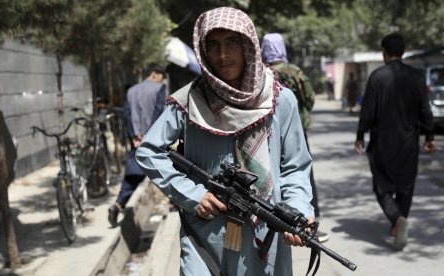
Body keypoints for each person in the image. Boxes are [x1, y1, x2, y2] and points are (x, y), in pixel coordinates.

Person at [135, 7, 315, 275]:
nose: (223, 55)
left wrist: (298, 210)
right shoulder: (188, 102)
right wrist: (193, 195)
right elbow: (149, 151)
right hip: (206, 239)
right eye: (214, 45)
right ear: (203, 50)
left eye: (232, 42)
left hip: (266, 237)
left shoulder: (280, 100)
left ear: (248, 46)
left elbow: (295, 166)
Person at [354, 33, 437, 251]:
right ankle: (399, 220)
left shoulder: (377, 77)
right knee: (406, 185)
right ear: (403, 52)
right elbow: (425, 109)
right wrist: (430, 137)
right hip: (409, 141)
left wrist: (360, 135)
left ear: (384, 52)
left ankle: (397, 219)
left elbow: (368, 111)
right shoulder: (416, 77)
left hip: (383, 141)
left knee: (382, 185)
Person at [260, 32, 329, 243]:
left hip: (265, 133)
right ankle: (307, 222)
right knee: (300, 172)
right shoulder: (295, 71)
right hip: (295, 130)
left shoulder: (259, 73)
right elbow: (309, 99)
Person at [108, 65, 167, 227]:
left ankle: (118, 204)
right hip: (154, 139)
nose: (162, 80)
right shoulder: (160, 88)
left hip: (136, 140)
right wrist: (149, 136)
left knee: (132, 175)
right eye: (162, 76)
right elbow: (158, 112)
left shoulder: (131, 91)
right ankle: (178, 204)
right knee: (168, 170)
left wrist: (134, 136)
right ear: (155, 75)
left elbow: (127, 115)